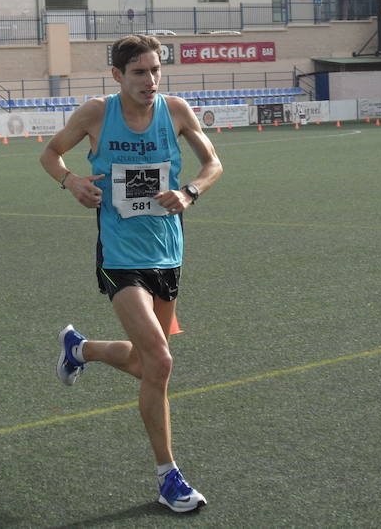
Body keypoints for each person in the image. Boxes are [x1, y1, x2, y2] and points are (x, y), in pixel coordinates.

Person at [39, 34, 223, 513]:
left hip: (167, 252)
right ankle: (169, 478)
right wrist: (71, 180)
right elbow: (50, 153)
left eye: (156, 70)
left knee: (147, 364)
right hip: (120, 257)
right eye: (139, 72)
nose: (150, 80)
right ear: (117, 75)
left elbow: (213, 163)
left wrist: (190, 193)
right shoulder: (95, 115)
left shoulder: (176, 110)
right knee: (161, 361)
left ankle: (81, 348)